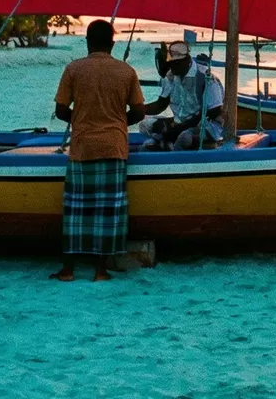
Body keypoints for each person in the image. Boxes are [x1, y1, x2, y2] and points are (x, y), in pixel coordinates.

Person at [51, 20, 144, 281]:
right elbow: (139, 111)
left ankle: (68, 269)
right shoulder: (126, 71)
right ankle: (100, 270)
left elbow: (60, 110)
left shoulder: (74, 69)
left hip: (82, 145)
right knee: (107, 210)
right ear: (112, 44)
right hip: (113, 145)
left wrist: (81, 119)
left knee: (76, 210)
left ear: (87, 42)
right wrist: (116, 122)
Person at [141, 41, 226, 150]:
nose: (172, 67)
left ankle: (171, 146)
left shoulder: (205, 77)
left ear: (187, 60)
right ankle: (167, 142)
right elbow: (161, 104)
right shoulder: (170, 76)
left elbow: (214, 110)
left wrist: (182, 127)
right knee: (145, 125)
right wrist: (139, 109)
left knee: (184, 137)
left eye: (176, 63)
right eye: (171, 63)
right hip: (178, 123)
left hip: (205, 126)